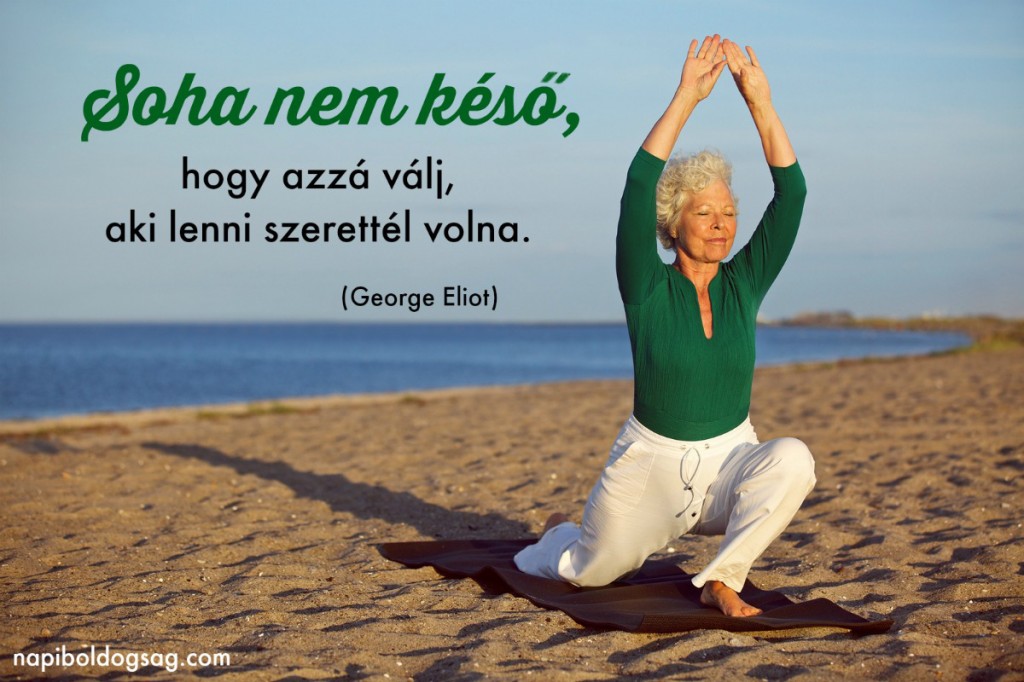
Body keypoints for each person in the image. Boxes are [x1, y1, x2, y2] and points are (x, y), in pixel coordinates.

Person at [514, 35, 816, 617]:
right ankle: (556, 535)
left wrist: (760, 103)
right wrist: (687, 96)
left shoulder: (744, 282)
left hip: (731, 461)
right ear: (672, 224)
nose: (721, 224)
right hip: (650, 466)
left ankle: (723, 578)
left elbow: (793, 194)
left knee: (794, 459)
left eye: (728, 212)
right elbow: (635, 186)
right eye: (704, 212)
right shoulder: (646, 287)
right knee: (588, 572)